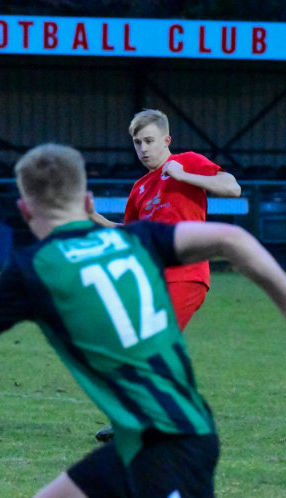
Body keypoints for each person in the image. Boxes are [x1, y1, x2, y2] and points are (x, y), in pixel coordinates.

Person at [0, 142, 286, 498]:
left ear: (24, 209)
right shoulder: (136, 240)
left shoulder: (29, 268)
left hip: (172, 444)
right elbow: (231, 237)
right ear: (88, 202)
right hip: (134, 445)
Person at [89, 109, 241, 442]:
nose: (143, 148)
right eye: (137, 142)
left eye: (149, 141)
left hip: (186, 273)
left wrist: (186, 176)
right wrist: (95, 218)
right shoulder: (140, 188)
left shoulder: (187, 162)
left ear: (167, 140)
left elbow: (232, 188)